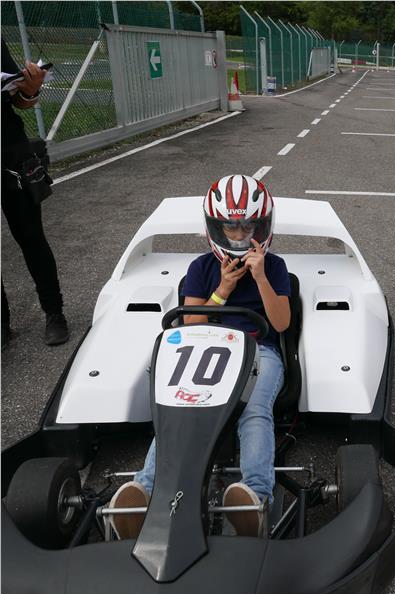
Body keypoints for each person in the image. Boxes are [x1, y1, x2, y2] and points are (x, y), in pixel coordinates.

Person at [109, 174, 291, 539]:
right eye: (231, 228)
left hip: (259, 351)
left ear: (261, 227)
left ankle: (256, 496)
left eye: (247, 227)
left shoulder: (274, 267)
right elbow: (189, 325)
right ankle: (146, 490)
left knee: (254, 412)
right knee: (179, 409)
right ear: (216, 227)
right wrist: (223, 289)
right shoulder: (201, 268)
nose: (239, 237)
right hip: (204, 349)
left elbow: (281, 323)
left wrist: (259, 279)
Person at [1, 39, 69, 348]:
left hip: (9, 152)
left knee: (31, 236)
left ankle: (54, 313)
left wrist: (30, 89)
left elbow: (20, 100)